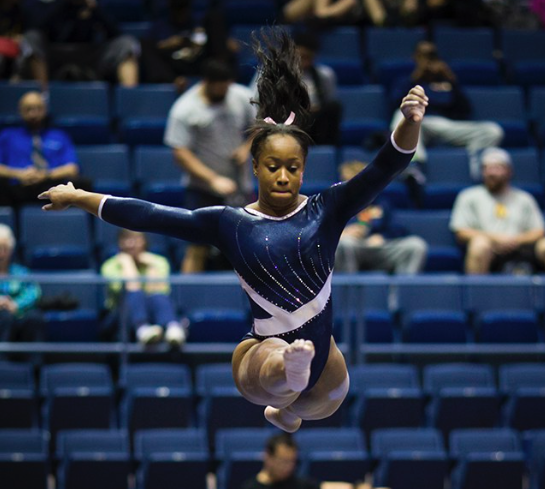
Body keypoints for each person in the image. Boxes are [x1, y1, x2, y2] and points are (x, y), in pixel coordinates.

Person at [38, 28, 427, 432]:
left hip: (321, 356)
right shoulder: (230, 223)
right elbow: (151, 215)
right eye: (272, 166)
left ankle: (288, 410)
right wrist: (81, 196)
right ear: (254, 167)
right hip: (260, 358)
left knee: (332, 397)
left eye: (292, 168)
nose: (282, 176)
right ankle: (289, 376)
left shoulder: (325, 210)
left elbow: (385, 167)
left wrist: (410, 121)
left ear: (303, 169)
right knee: (281, 357)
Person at [164, 58, 256, 273]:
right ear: (206, 82)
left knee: (243, 246)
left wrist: (246, 148)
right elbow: (180, 153)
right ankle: (186, 297)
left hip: (239, 185)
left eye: (227, 85)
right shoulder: (185, 108)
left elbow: (259, 126)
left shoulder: (240, 95)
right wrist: (212, 179)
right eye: (219, 87)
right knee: (197, 247)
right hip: (202, 189)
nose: (224, 90)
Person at [390, 41, 504, 180]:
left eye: (431, 55)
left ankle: (476, 173)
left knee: (492, 131)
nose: (428, 60)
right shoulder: (408, 79)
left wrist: (451, 80)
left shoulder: (447, 80)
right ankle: (413, 166)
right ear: (415, 57)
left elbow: (465, 109)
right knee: (400, 115)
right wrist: (417, 77)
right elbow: (396, 103)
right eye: (423, 55)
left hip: (447, 126)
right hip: (420, 124)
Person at [450, 147, 545, 275]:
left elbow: (538, 231)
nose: (491, 173)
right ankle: (476, 293)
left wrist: (516, 240)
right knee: (479, 245)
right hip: (489, 250)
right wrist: (495, 239)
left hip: (522, 249)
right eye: (486, 168)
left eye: (497, 167)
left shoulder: (524, 198)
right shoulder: (468, 196)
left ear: (509, 171)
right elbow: (461, 232)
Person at [250, 31, 342, 146]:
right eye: (300, 56)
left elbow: (329, 102)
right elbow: (256, 100)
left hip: (312, 121)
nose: (304, 62)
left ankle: (326, 148)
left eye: (308, 57)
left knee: (334, 108)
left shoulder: (324, 75)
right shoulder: (271, 71)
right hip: (283, 118)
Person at [0, 91, 91, 207]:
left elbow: (72, 168)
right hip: (17, 187)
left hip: (50, 186)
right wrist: (19, 174)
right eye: (28, 109)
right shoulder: (7, 136)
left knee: (82, 184)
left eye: (38, 108)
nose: (33, 114)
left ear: (45, 110)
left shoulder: (59, 136)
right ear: (20, 111)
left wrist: (45, 175)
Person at [335, 160, 428, 274]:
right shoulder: (335, 206)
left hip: (379, 247)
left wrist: (382, 236)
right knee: (345, 244)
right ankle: (349, 289)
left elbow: (398, 229)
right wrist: (341, 234)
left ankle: (402, 290)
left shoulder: (381, 203)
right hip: (353, 248)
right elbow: (320, 236)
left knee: (416, 245)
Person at [100, 229, 187, 346]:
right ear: (119, 243)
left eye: (135, 239)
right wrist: (127, 263)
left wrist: (150, 265)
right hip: (121, 317)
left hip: (154, 312)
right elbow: (132, 287)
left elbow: (158, 290)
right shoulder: (110, 265)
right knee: (135, 294)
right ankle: (142, 329)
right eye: (126, 239)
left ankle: (172, 328)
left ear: (144, 241)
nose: (130, 244)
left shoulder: (159, 262)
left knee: (158, 297)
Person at [37, 0, 139, 86]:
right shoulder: (57, 6)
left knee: (126, 43)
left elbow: (115, 34)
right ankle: (42, 94)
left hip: (90, 54)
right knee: (32, 38)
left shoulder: (94, 7)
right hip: (59, 53)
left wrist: (96, 9)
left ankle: (130, 99)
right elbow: (39, 27)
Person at [0, 223, 44, 345]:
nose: (1, 254)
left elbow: (34, 292)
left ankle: (35, 363)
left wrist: (16, 304)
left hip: (20, 312)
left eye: (5, 248)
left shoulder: (21, 272)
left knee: (35, 317)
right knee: (4, 317)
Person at [241, 433, 319, 489]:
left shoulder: (299, 484)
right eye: (283, 461)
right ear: (268, 457)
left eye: (292, 461)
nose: (288, 467)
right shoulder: (250, 486)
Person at [0, 0, 48, 91]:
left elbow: (33, 28)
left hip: (17, 49)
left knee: (32, 39)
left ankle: (44, 94)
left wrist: (18, 38)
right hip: (2, 50)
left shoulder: (24, 8)